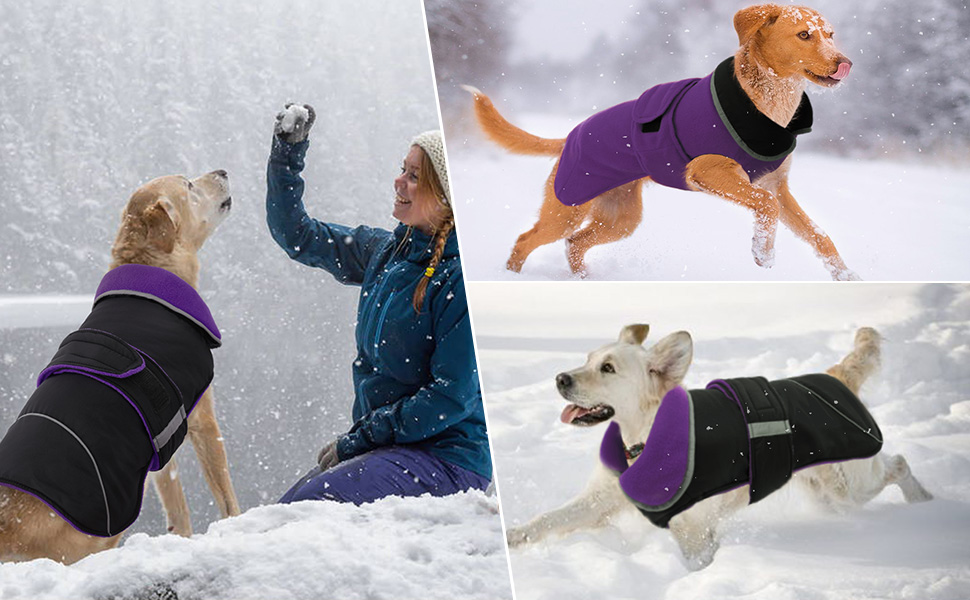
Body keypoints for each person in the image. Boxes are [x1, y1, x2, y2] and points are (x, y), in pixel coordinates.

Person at [266, 104, 492, 505]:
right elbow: (298, 235)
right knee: (281, 512)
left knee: (308, 508)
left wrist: (361, 438)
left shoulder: (461, 283)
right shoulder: (387, 252)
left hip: (448, 457)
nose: (399, 182)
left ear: (447, 197)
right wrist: (287, 155)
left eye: (414, 176)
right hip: (387, 448)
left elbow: (451, 396)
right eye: (402, 169)